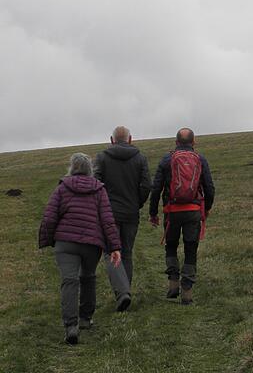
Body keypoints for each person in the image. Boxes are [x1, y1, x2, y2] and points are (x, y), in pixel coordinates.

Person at [39, 153, 122, 345]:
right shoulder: (99, 190)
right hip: (92, 245)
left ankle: (71, 326)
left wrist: (50, 239)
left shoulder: (62, 188)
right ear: (90, 169)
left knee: (69, 281)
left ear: (72, 168)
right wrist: (115, 247)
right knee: (88, 278)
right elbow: (108, 220)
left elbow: (50, 217)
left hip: (65, 243)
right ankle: (85, 318)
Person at [149, 128, 215, 305]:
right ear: (194, 142)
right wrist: (206, 209)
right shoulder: (200, 159)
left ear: (176, 142)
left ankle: (172, 284)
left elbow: (156, 188)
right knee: (190, 249)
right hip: (193, 211)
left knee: (171, 246)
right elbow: (209, 187)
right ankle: (187, 293)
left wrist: (153, 213)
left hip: (172, 212)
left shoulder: (166, 159)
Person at [94, 126, 151, 309]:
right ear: (130, 139)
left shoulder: (101, 158)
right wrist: (137, 203)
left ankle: (122, 292)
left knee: (111, 252)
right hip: (131, 213)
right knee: (126, 252)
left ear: (111, 140)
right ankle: (126, 291)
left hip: (108, 214)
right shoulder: (140, 158)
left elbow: (95, 184)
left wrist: (101, 207)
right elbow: (146, 185)